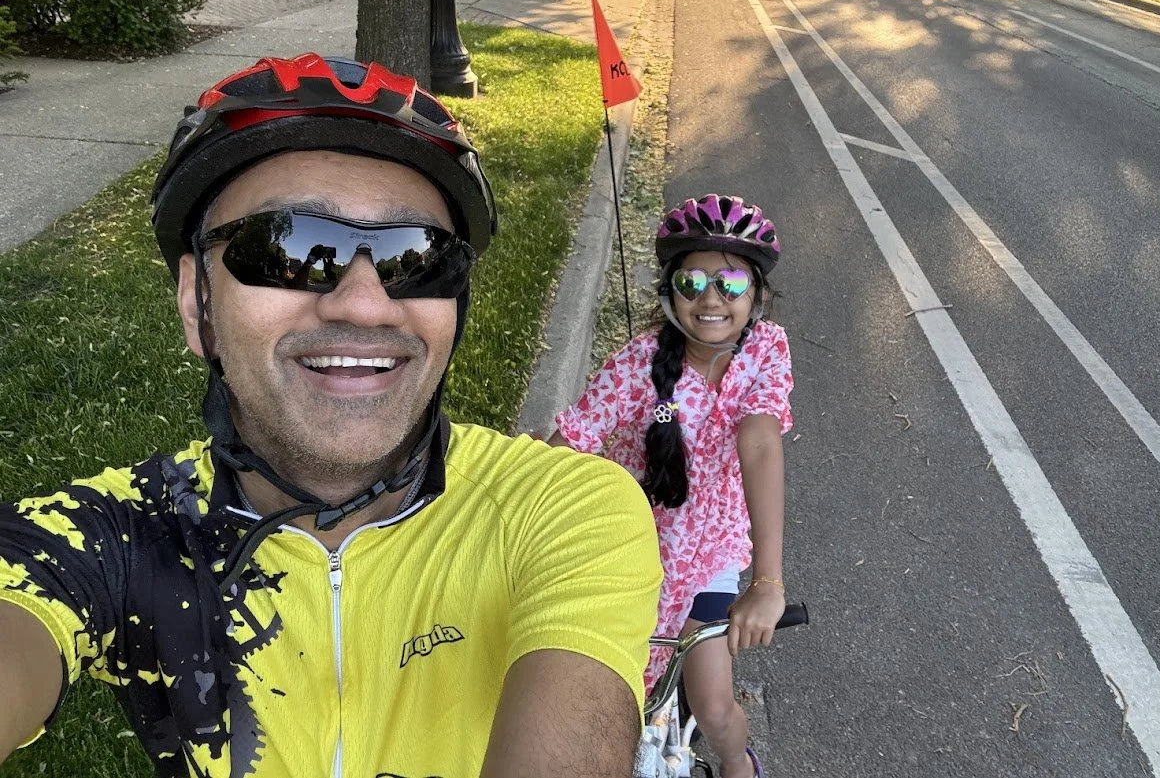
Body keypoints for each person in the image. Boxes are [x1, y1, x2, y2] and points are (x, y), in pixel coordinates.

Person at [0, 54, 662, 778]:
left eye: (417, 258)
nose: (364, 302)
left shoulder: (564, 509)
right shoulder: (120, 537)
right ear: (198, 303)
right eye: (289, 249)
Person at [549, 195, 793, 778]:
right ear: (668, 291)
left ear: (757, 294)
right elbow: (572, 440)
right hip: (632, 547)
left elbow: (759, 442)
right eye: (692, 281)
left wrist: (767, 581)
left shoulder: (766, 349)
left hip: (712, 550)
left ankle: (739, 766)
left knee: (712, 705)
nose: (711, 299)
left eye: (730, 283)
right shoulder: (639, 364)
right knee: (611, 708)